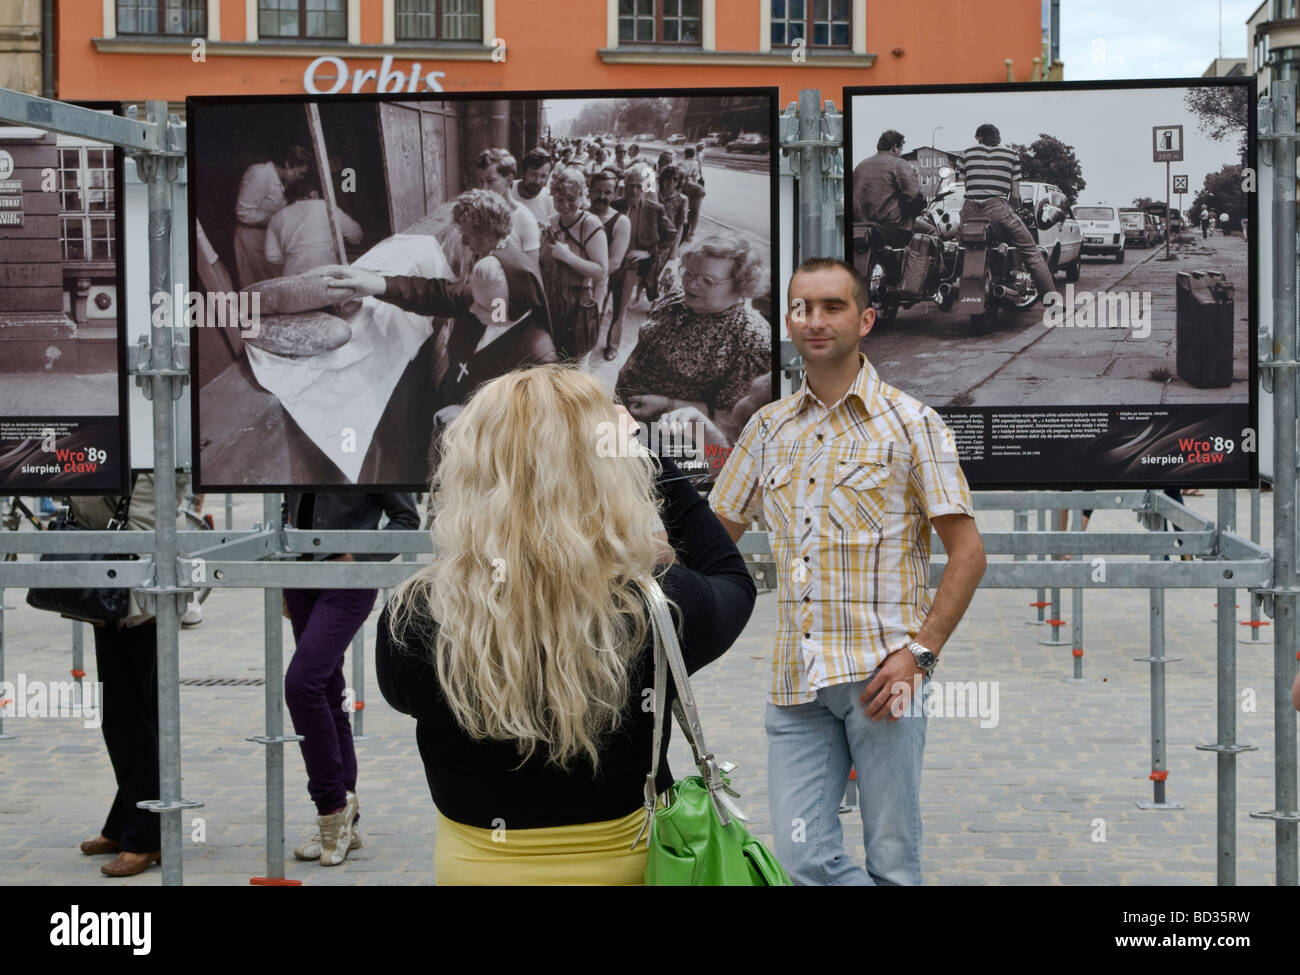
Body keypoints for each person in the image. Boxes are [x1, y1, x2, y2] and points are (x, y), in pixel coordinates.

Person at [375, 365, 757, 884]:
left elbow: (405, 699)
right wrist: (649, 458)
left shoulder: (413, 615)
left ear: (471, 466)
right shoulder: (654, 603)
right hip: (630, 867)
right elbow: (732, 578)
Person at [709, 258, 986, 885]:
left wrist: (922, 654)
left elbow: (968, 555)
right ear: (788, 319)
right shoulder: (767, 429)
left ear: (865, 319)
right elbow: (707, 540)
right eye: (802, 307)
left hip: (883, 682)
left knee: (893, 862)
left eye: (832, 306)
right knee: (802, 861)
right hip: (796, 683)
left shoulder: (913, 426)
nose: (815, 320)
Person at [323, 189, 554, 469]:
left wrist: (472, 415)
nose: (470, 309)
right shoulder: (489, 295)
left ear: (510, 307)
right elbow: (436, 294)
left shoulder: (539, 355)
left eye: (480, 307)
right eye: (473, 300)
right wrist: (377, 284)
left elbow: (535, 423)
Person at [283, 491, 420, 866]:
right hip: (300, 578)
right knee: (327, 690)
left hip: (348, 580)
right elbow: (291, 508)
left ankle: (331, 809)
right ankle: (346, 816)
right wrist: (285, 572)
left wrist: (358, 557)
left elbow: (406, 519)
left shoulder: (370, 448)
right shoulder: (299, 444)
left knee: (301, 685)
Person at [75, 471, 191, 878]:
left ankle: (146, 836)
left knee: (125, 716)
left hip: (132, 582)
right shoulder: (137, 432)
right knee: (136, 707)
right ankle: (125, 820)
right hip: (125, 572)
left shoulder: (140, 433)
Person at [615, 233, 770, 444]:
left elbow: (729, 415)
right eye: (689, 272)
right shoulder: (678, 296)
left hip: (668, 436)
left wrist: (667, 403)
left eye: (707, 280)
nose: (691, 283)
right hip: (622, 408)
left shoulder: (751, 339)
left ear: (741, 285)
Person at [956, 123, 1054, 301]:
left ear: (978, 138)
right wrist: (1009, 210)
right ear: (997, 137)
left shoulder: (966, 154)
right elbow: (1015, 195)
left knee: (959, 248)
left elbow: (966, 187)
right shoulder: (1011, 155)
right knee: (1031, 251)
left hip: (970, 212)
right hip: (997, 209)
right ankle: (1051, 300)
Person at [539, 166, 609, 361]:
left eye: (571, 200)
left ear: (582, 197)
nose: (565, 205)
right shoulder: (551, 222)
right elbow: (541, 262)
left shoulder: (590, 225)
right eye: (559, 200)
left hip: (578, 307)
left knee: (573, 366)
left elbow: (601, 271)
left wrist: (568, 256)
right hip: (551, 303)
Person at [233, 145, 311, 287]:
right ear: (288, 165)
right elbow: (243, 213)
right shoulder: (260, 174)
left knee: (275, 280)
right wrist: (277, 220)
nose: (301, 178)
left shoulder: (283, 180)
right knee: (262, 283)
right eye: (300, 173)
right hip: (253, 237)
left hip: (268, 236)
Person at [609, 167, 674, 334]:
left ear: (645, 188)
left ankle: (613, 346)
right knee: (598, 305)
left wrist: (648, 253)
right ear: (624, 185)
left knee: (620, 309)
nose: (634, 190)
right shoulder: (613, 205)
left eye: (639, 186)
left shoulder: (655, 209)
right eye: (631, 185)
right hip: (607, 264)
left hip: (629, 268)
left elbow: (670, 234)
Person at [264, 176, 364, 277]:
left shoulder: (276, 217)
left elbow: (272, 255)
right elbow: (354, 232)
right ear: (313, 193)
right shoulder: (324, 205)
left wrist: (294, 256)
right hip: (325, 269)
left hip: (292, 274)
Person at [852, 129, 927, 247]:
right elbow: (915, 195)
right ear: (894, 147)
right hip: (890, 230)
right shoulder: (898, 164)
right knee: (930, 232)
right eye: (901, 150)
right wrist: (917, 211)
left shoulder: (859, 166)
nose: (901, 153)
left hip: (858, 228)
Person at [589, 169, 632, 362]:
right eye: (597, 191)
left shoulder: (621, 221)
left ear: (615, 194)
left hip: (609, 276)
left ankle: (609, 346)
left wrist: (589, 277)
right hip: (582, 275)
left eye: (607, 193)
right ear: (589, 191)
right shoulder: (581, 213)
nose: (602, 197)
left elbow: (614, 261)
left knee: (607, 314)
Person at [475, 148, 541, 261]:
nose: (484, 188)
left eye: (490, 181)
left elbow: (531, 271)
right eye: (481, 181)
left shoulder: (524, 219)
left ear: (509, 180)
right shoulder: (478, 213)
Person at [513, 147, 555, 231]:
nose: (538, 181)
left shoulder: (551, 200)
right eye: (533, 174)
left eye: (543, 176)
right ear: (523, 172)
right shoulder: (507, 191)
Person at [679, 146, 706, 243]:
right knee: (695, 212)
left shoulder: (680, 163)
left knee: (683, 209)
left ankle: (681, 230)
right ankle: (691, 233)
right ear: (694, 154)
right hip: (696, 189)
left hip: (684, 188)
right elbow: (699, 176)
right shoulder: (696, 163)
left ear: (685, 154)